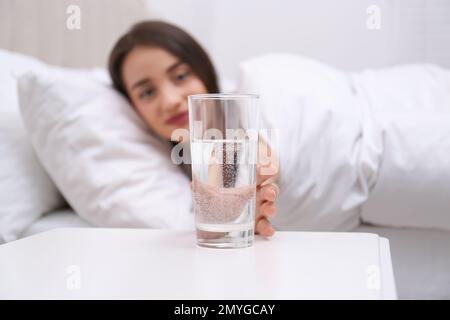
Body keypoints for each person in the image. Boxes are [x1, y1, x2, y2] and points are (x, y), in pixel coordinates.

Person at [108, 20, 279, 237]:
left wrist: (259, 175)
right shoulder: (174, 156)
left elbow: (261, 156)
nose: (170, 101)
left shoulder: (247, 107)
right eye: (148, 92)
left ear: (203, 69)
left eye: (180, 76)